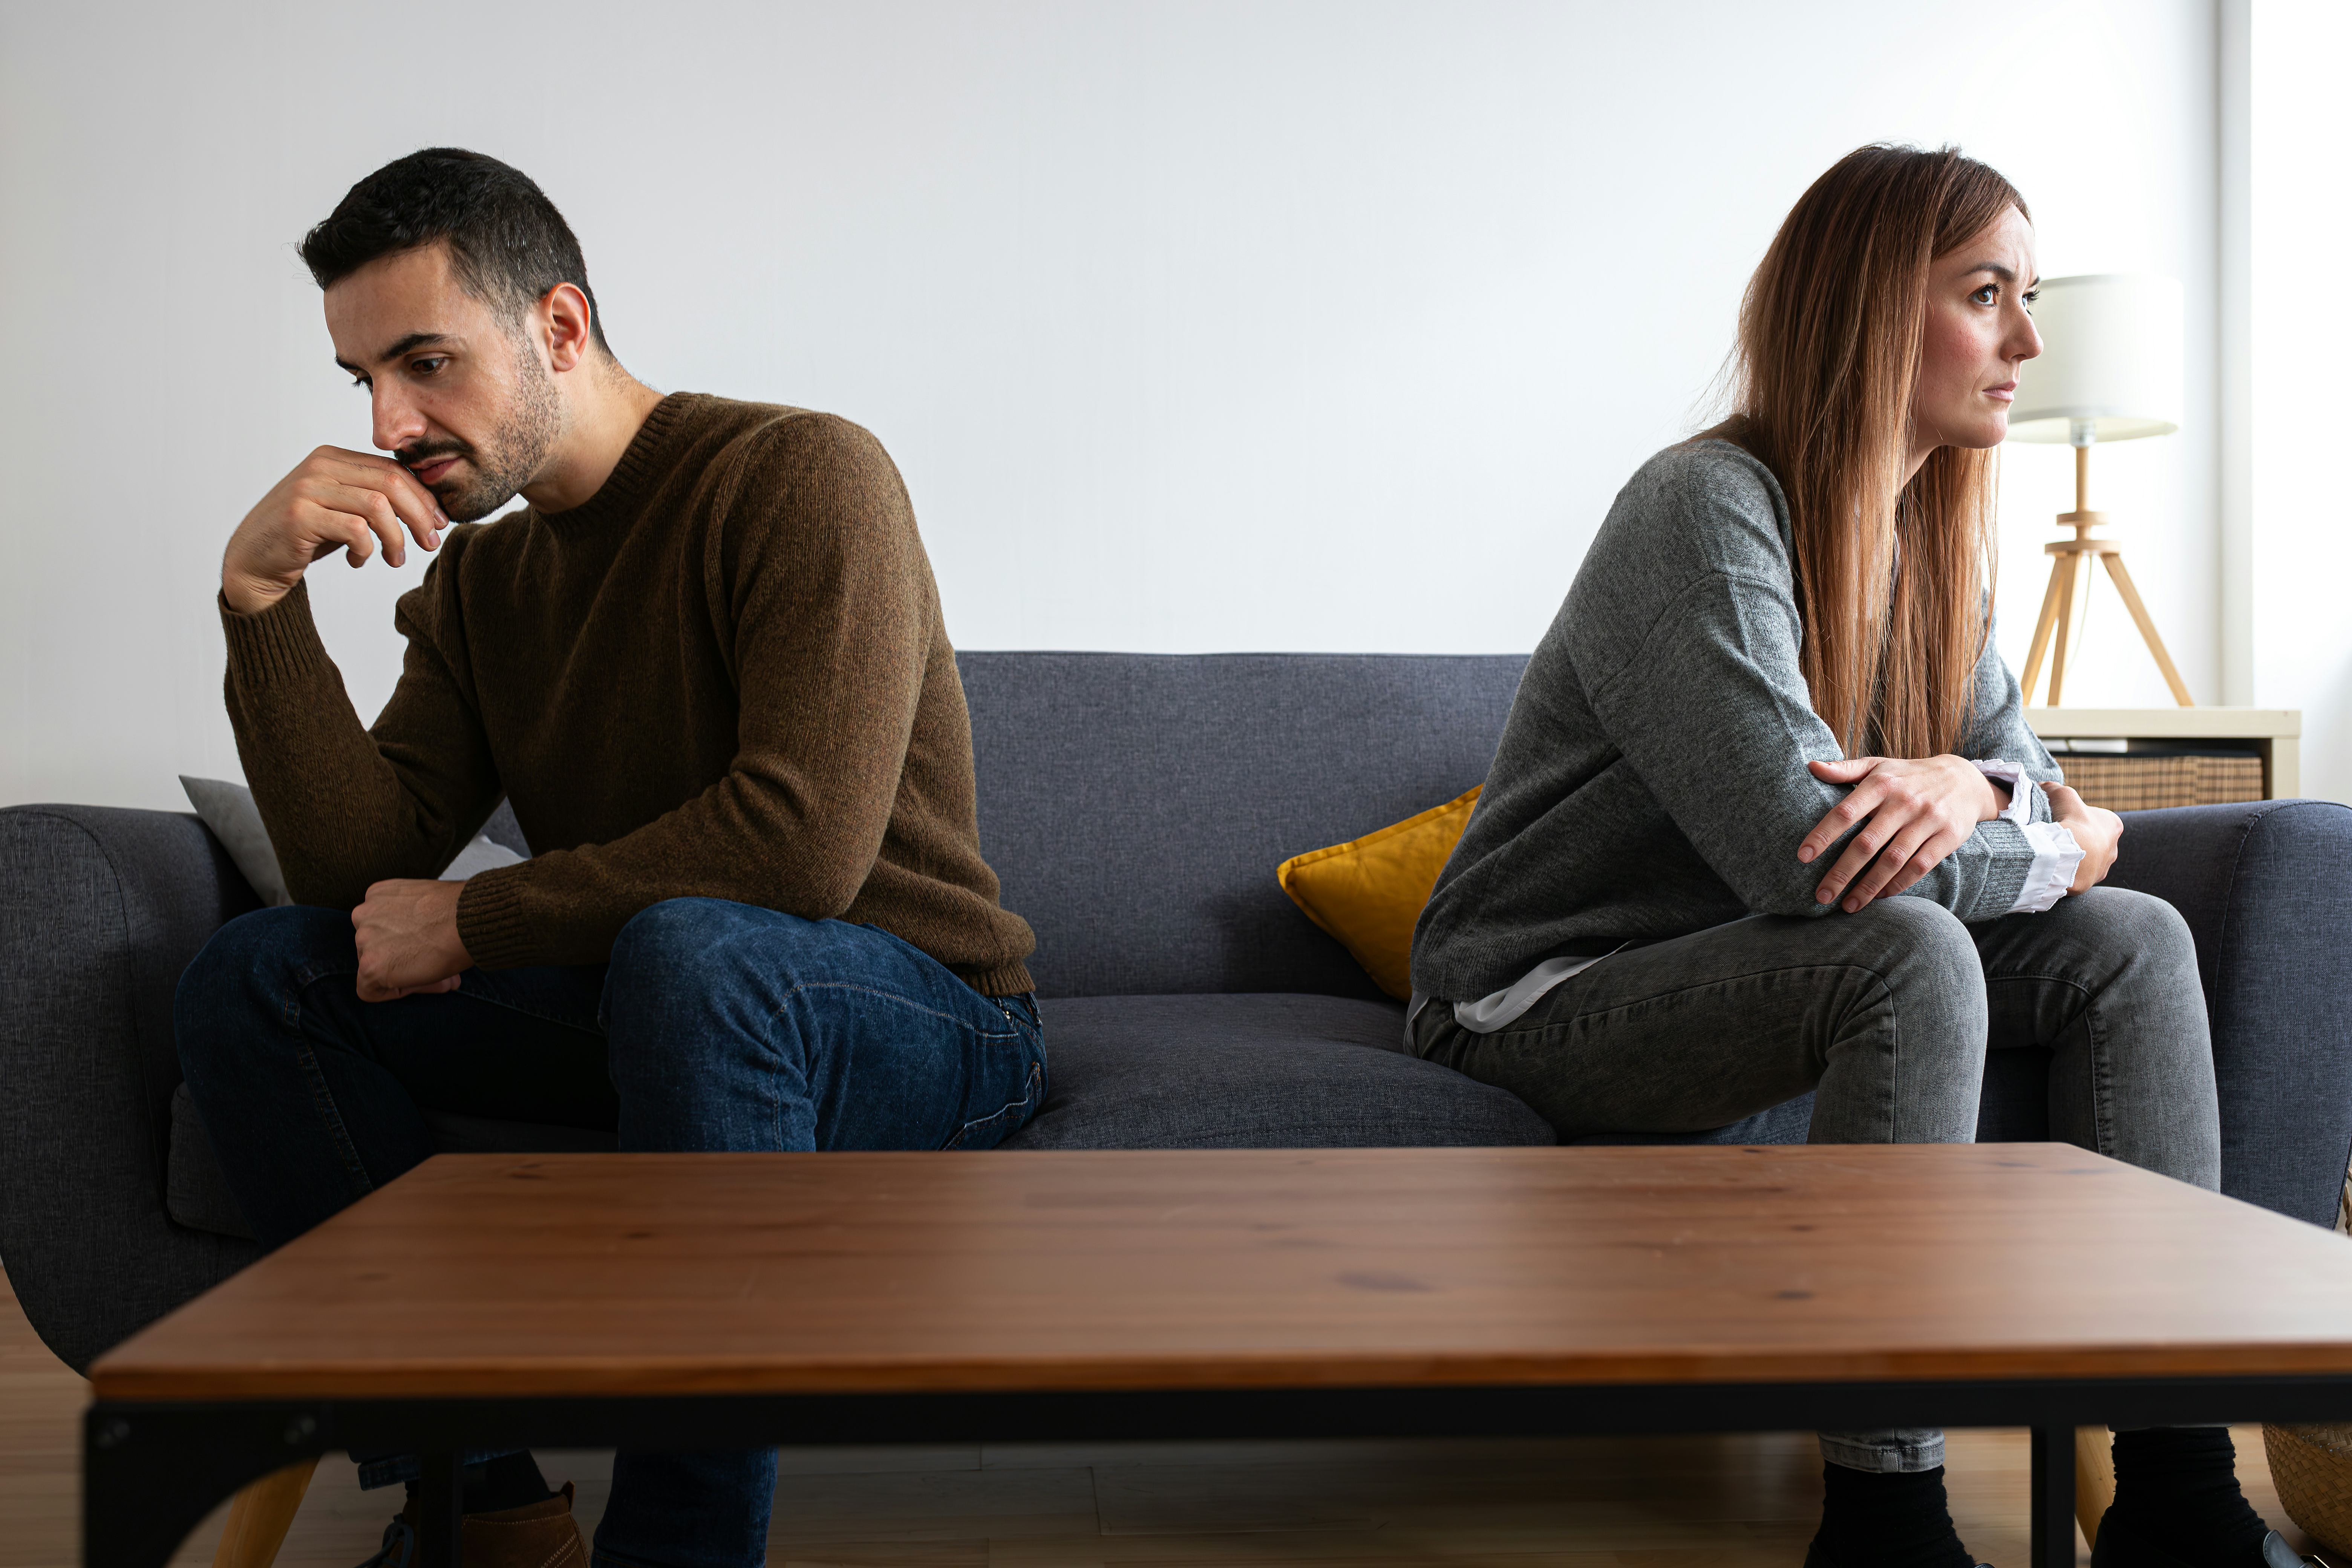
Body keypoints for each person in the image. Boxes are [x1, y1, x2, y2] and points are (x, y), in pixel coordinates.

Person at [1408, 145, 2300, 1568]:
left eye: (2027, 295)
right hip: (1539, 996)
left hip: (1765, 972)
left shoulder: (1932, 540)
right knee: (1907, 944)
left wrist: (1971, 784)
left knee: (2138, 939)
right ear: (1876, 310)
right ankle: (1885, 1520)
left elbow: (2060, 811)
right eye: (1988, 294)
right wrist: (2038, 833)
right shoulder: (1701, 512)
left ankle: (2181, 1494)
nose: (2028, 339)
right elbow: (1811, 862)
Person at [173, 148, 1045, 1568]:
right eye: (364, 383)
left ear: (560, 328)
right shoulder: (487, 582)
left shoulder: (802, 475)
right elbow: (357, 872)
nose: (393, 423)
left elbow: (801, 847)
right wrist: (258, 601)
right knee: (260, 977)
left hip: (918, 1017)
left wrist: (477, 922)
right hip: (656, 998)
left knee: (698, 955)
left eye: (427, 363)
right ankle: (489, 1505)